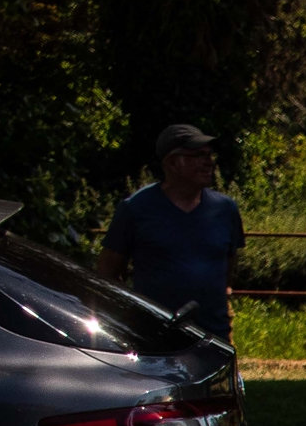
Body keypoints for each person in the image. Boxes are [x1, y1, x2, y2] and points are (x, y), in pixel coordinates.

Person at [96, 125, 245, 340]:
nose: (208, 162)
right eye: (198, 156)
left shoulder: (226, 209)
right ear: (172, 163)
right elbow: (107, 271)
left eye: (209, 155)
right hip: (154, 336)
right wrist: (130, 315)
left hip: (213, 336)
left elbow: (228, 267)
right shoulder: (136, 208)